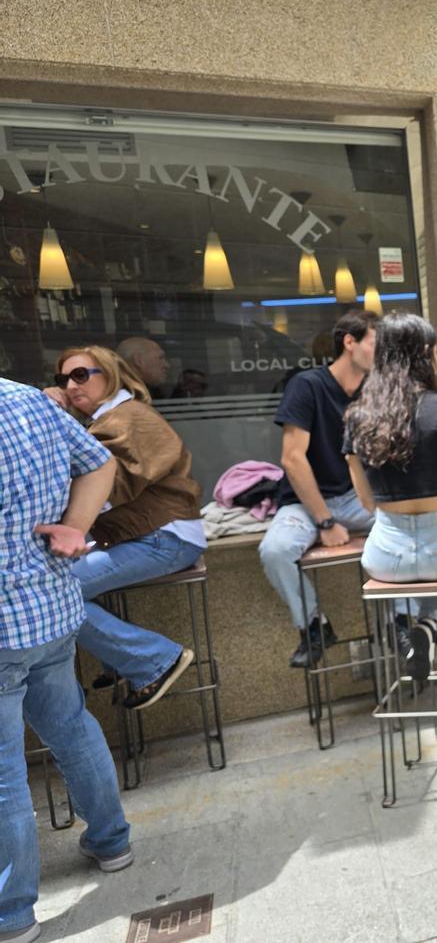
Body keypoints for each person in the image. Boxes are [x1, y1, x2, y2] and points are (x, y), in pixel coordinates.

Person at [1, 378, 133, 943]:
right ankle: (112, 841)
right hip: (48, 607)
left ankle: (12, 912)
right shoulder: (24, 398)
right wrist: (75, 527)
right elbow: (99, 463)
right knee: (72, 728)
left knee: (5, 772)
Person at [45, 346, 203, 710]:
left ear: (111, 374)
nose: (70, 385)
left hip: (164, 537)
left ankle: (153, 660)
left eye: (81, 375)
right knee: (59, 582)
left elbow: (106, 489)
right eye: (62, 379)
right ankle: (119, 660)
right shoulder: (109, 418)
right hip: (153, 535)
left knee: (57, 594)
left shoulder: (125, 418)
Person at [343, 313, 437, 682]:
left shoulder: (358, 418)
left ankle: (433, 633)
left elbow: (365, 501)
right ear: (425, 354)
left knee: (428, 573)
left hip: (385, 558)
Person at [258, 310, 378, 669]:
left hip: (360, 499)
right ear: (349, 342)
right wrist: (325, 522)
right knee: (276, 551)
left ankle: (401, 624)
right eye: (376, 343)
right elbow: (293, 459)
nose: (383, 352)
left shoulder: (376, 390)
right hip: (306, 503)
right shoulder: (307, 385)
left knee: (408, 531)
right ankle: (313, 626)